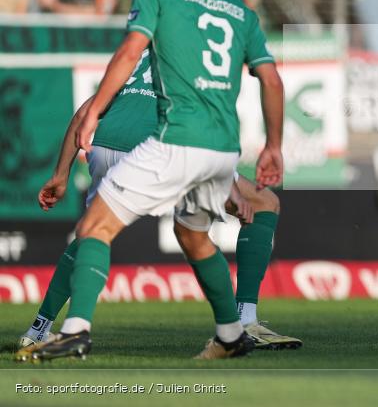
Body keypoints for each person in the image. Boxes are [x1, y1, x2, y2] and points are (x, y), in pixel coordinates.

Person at [20, 0, 284, 361]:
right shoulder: (242, 12)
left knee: (92, 229)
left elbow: (127, 53)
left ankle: (71, 328)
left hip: (168, 141)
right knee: (196, 237)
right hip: (218, 150)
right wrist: (274, 146)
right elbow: (270, 79)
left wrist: (90, 119)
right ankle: (233, 331)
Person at [15, 52, 300, 358]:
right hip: (161, 147)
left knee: (92, 233)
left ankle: (38, 330)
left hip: (105, 143)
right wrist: (228, 182)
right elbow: (210, 118)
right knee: (263, 203)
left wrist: (60, 174)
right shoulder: (200, 55)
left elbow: (86, 112)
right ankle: (243, 322)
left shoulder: (139, 57)